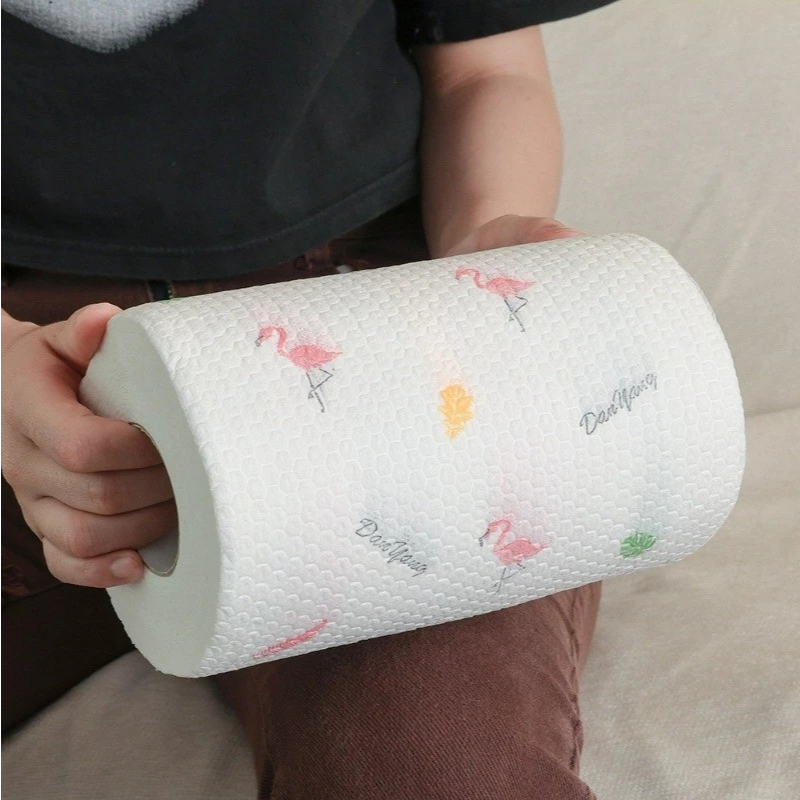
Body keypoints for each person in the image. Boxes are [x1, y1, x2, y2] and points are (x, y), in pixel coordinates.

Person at [2, 1, 613, 797]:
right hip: (24, 338)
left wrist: (479, 264)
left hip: (361, 332)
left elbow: (485, 69)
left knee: (438, 768)